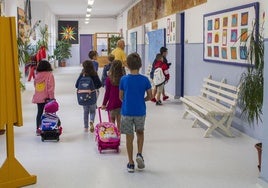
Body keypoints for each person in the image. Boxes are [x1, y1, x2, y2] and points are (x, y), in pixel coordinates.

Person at [119, 53, 152, 173]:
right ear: (140, 65)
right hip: (140, 111)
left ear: (127, 65)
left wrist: (129, 100)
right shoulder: (145, 80)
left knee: (129, 136)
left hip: (127, 111)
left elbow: (121, 97)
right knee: (140, 132)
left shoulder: (124, 79)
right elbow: (150, 96)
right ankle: (139, 154)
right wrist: (141, 100)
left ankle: (131, 163)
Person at [75, 60, 102, 133]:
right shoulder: (94, 73)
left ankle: (86, 127)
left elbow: (76, 85)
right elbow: (99, 85)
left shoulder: (82, 74)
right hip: (93, 95)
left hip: (84, 96)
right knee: (93, 111)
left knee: (85, 111)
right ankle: (91, 121)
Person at [32, 60, 55, 136]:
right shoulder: (49, 75)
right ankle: (49, 128)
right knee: (49, 113)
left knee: (39, 112)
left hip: (38, 97)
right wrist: (52, 98)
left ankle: (38, 129)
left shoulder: (37, 75)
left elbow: (35, 85)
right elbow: (50, 88)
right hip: (47, 98)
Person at [101, 60, 124, 130]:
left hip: (112, 103)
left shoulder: (109, 79)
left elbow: (107, 93)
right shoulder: (124, 79)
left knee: (112, 121)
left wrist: (104, 104)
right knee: (119, 121)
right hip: (121, 102)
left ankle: (113, 136)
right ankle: (119, 136)